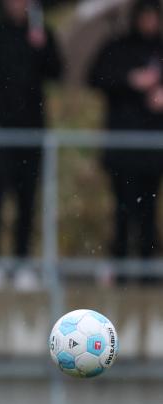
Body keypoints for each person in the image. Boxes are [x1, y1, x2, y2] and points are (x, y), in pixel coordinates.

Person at [0, 0, 63, 291]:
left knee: (27, 200)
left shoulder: (41, 32)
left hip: (31, 132)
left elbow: (56, 71)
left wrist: (42, 46)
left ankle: (22, 261)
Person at [88, 0, 163, 284]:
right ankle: (119, 266)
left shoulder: (158, 50)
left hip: (153, 149)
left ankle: (147, 268)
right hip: (123, 146)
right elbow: (97, 77)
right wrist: (130, 80)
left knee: (149, 210)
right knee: (122, 208)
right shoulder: (116, 48)